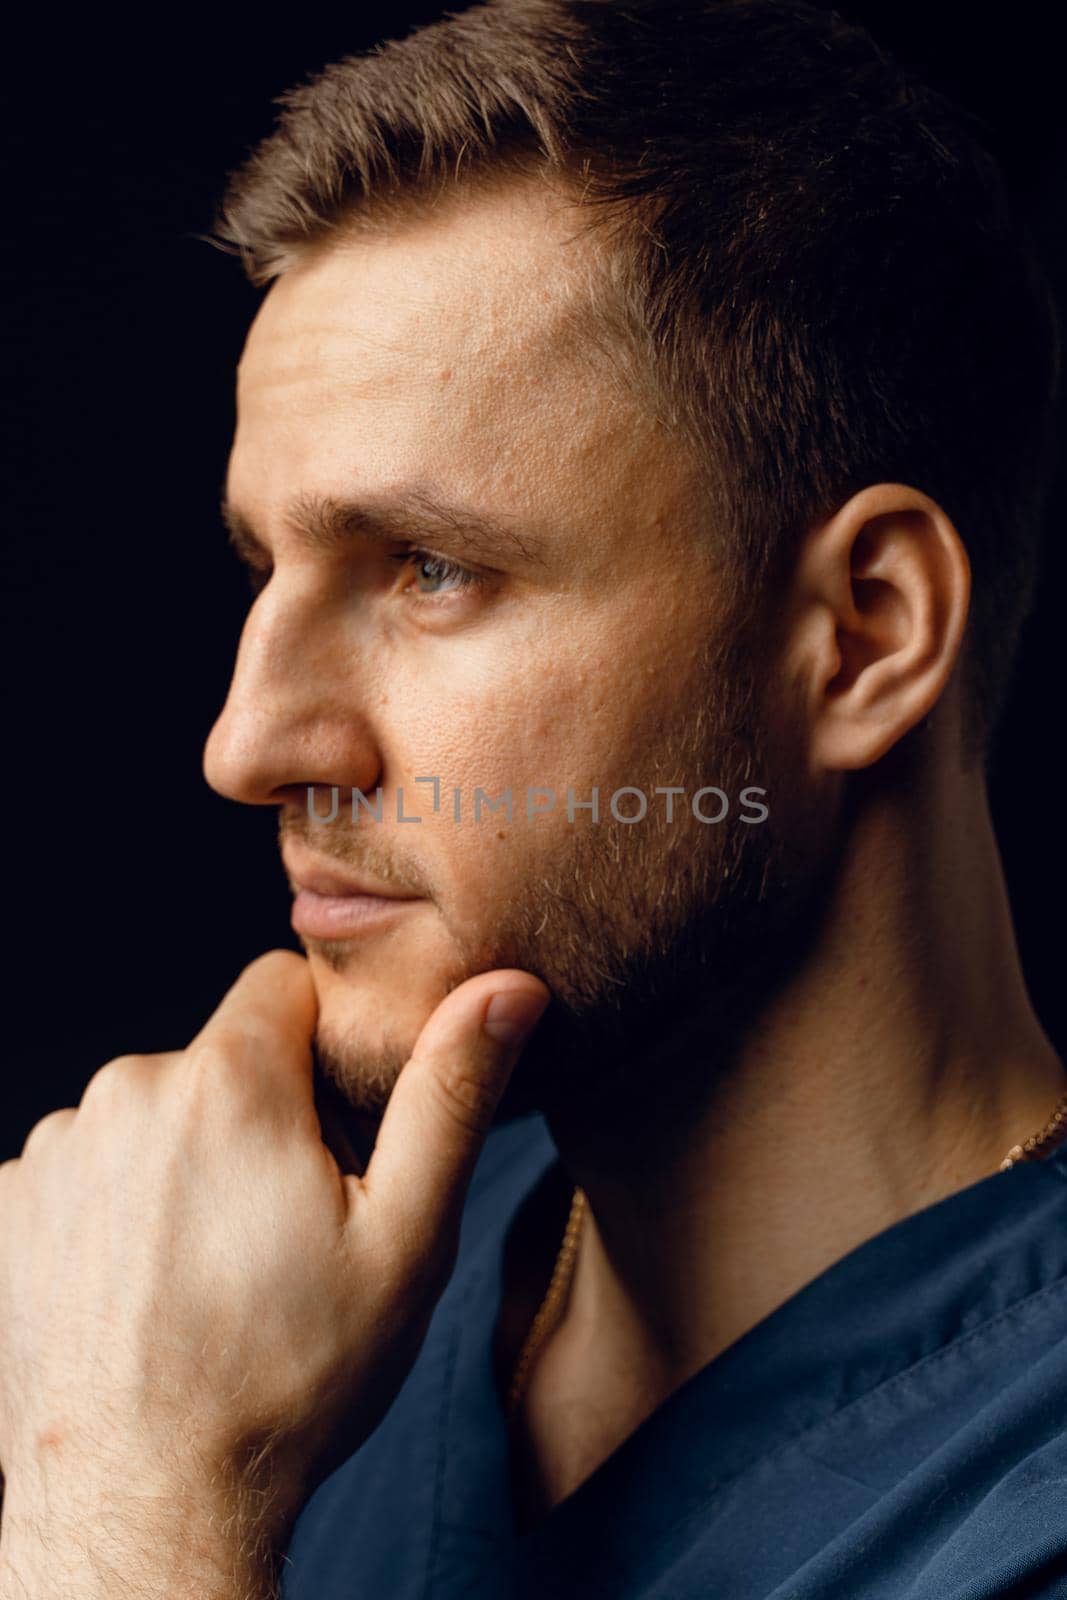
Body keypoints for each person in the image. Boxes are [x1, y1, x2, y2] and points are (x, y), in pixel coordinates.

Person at [0, 0, 1063, 1595]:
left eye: (428, 569)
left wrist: (129, 1513)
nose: (248, 742)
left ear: (864, 635)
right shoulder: (252, 1302)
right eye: (264, 566)